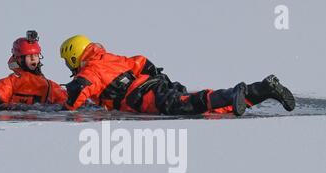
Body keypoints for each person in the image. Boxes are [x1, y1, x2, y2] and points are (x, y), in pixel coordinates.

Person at [59, 35, 296, 116]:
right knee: (206, 111)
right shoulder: (110, 57)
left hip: (147, 98)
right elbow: (144, 62)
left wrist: (63, 107)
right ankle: (262, 89)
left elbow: (76, 94)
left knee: (188, 106)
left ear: (73, 56)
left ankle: (235, 92)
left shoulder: (90, 70)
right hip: (156, 85)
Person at [0, 31, 67, 108]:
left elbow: (66, 100)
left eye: (36, 55)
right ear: (19, 59)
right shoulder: (12, 82)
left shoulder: (48, 85)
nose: (33, 59)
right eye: (29, 56)